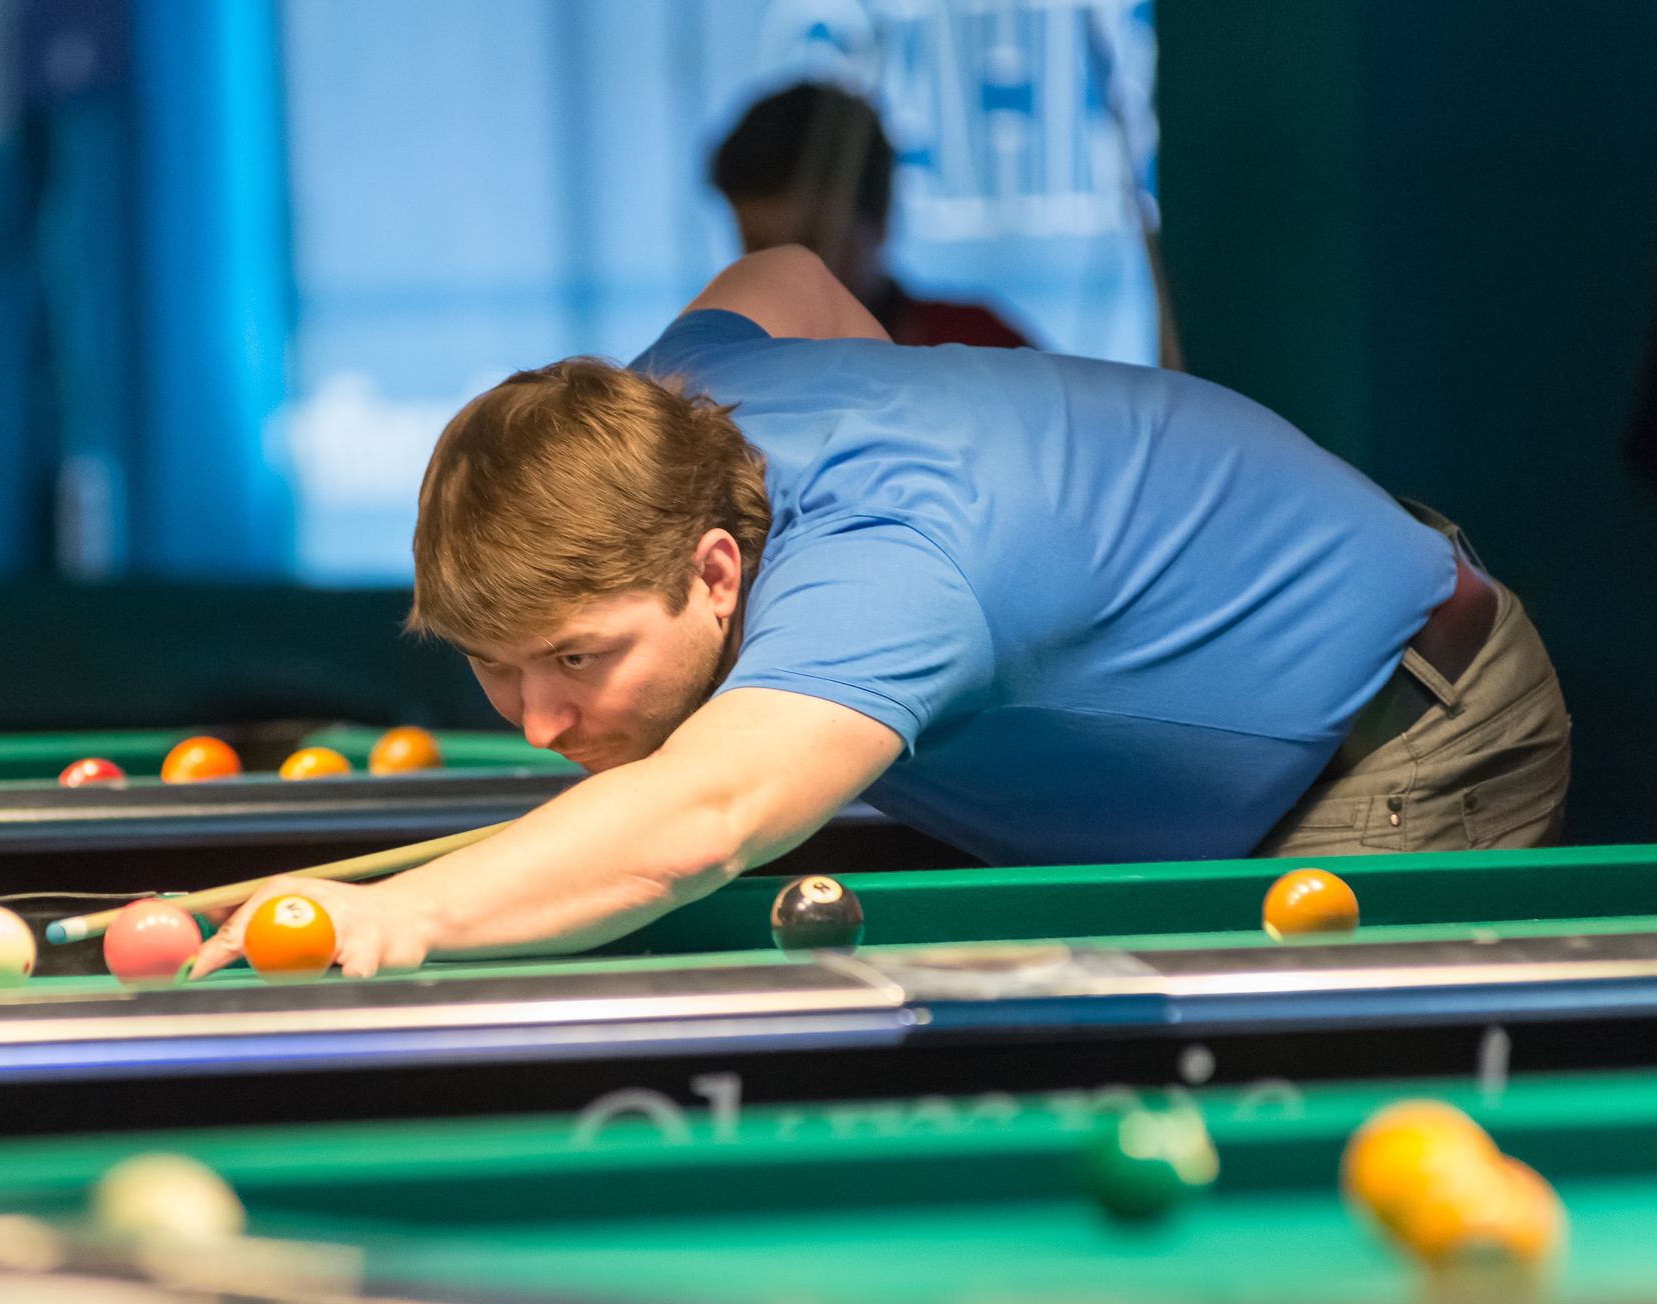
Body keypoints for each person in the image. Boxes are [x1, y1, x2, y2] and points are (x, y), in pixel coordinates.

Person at [189, 246, 1570, 980]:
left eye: (576, 658)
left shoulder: (891, 571)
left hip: (1396, 737)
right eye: (496, 669)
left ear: (716, 572)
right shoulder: (676, 411)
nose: (540, 722)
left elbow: (701, 820)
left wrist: (408, 916)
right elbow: (788, 273)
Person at [711, 83, 1032, 350]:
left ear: (880, 221)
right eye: (759, 246)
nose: (785, 276)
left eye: (811, 243)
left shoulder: (977, 349)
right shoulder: (724, 368)